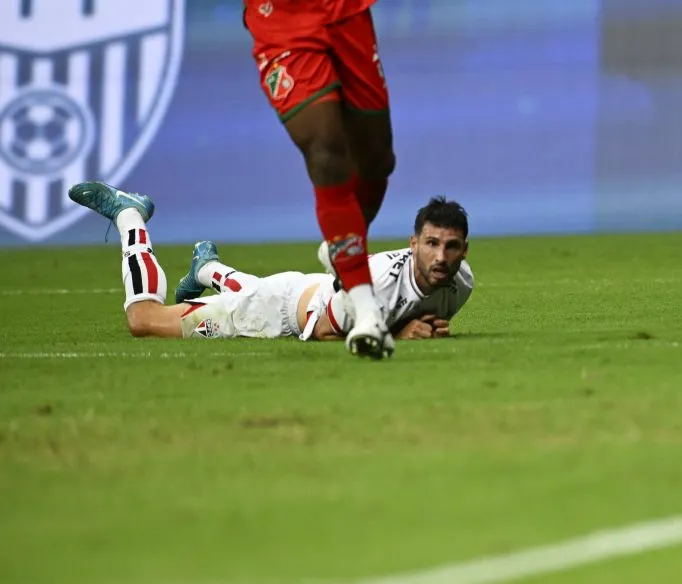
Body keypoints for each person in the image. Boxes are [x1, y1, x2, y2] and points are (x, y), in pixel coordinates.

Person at [67, 182, 473, 348]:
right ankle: (130, 215)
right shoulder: (377, 282)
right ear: (413, 244)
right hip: (274, 311)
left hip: (305, 289)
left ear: (465, 251)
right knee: (144, 320)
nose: (441, 257)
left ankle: (206, 269)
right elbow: (325, 331)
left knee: (259, 290)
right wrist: (397, 333)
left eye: (451, 247)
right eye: (431, 244)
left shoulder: (462, 282)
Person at [240, 0, 397, 359]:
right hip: (281, 18)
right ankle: (367, 311)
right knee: (326, 154)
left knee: (377, 160)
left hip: (346, 11)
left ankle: (340, 250)